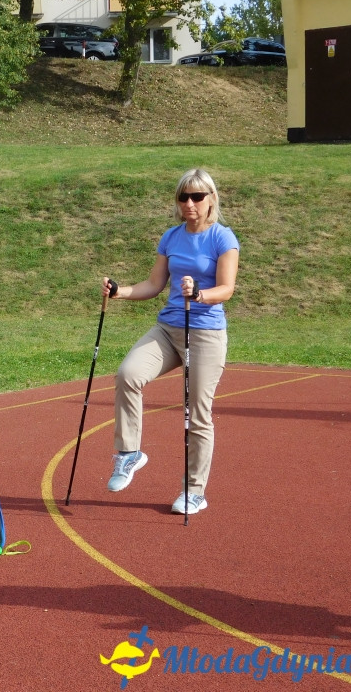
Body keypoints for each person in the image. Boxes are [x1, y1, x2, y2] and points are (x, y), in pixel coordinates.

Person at [101, 168, 239, 515]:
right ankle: (129, 453)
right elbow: (153, 285)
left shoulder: (223, 238)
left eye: (197, 196)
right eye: (183, 197)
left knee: (197, 414)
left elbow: (227, 289)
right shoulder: (171, 237)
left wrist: (200, 294)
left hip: (205, 333)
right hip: (168, 328)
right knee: (128, 374)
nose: (190, 203)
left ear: (211, 199)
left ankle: (194, 491)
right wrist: (119, 292)